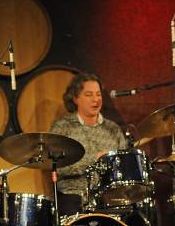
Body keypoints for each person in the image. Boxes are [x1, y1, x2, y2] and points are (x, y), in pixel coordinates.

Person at [49, 72, 127, 216]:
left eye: (98, 94)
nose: (96, 99)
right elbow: (57, 167)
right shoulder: (62, 127)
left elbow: (124, 165)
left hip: (109, 197)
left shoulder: (113, 128)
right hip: (73, 196)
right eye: (89, 94)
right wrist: (94, 160)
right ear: (75, 98)